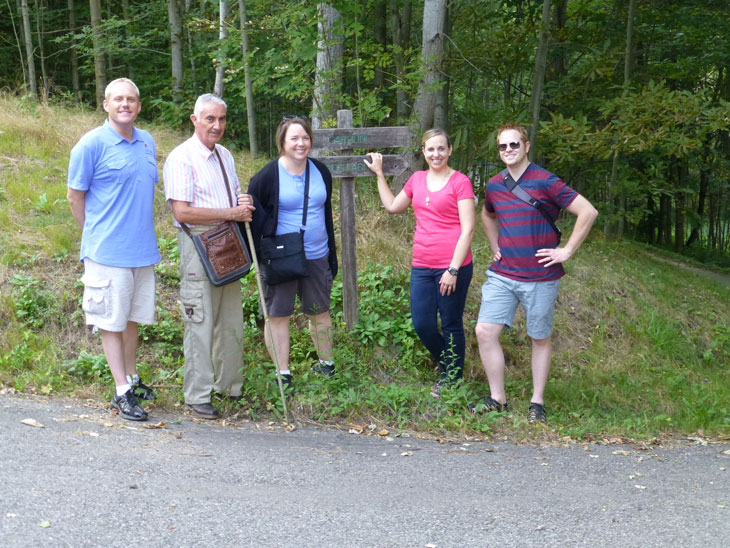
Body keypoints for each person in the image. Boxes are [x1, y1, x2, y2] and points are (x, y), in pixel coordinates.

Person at [474, 123, 598, 424]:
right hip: (503, 274)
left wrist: (566, 250)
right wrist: (495, 246)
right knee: (484, 331)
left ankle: (537, 402)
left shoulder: (546, 181)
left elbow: (588, 211)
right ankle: (498, 398)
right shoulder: (494, 185)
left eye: (514, 145)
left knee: (539, 337)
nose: (508, 151)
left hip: (541, 276)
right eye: (503, 147)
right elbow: (487, 215)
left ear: (526, 146)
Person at [67, 77, 160, 422]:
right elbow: (75, 196)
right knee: (110, 321)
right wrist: (93, 236)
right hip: (107, 252)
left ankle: (132, 379)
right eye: (118, 99)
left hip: (142, 251)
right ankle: (121, 392)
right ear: (105, 104)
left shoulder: (147, 142)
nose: (125, 104)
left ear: (138, 105)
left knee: (131, 320)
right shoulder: (90, 145)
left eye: (131, 99)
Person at [163, 94, 254, 419]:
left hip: (228, 240)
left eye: (222, 119)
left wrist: (243, 205)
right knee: (199, 321)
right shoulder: (181, 158)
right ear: (195, 119)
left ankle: (230, 387)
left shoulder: (225, 155)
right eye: (210, 119)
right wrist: (231, 211)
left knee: (230, 320)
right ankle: (197, 395)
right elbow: (183, 212)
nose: (217, 126)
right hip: (198, 242)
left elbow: (232, 197)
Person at [364, 129, 475, 397]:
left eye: (440, 149)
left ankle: (452, 378)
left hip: (453, 265)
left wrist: (453, 269)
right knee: (422, 324)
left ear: (449, 150)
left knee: (450, 323)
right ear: (423, 152)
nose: (435, 154)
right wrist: (380, 174)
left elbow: (468, 228)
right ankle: (450, 366)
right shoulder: (417, 179)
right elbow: (392, 206)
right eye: (430, 149)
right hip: (422, 265)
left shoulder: (460, 182)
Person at [247, 116, 338, 394]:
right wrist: (263, 255)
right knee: (278, 314)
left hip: (317, 253)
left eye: (305, 138)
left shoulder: (321, 171)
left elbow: (324, 211)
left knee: (319, 312)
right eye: (294, 139)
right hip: (281, 257)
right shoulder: (267, 176)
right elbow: (253, 214)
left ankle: (326, 365)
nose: (301, 143)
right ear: (282, 143)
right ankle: (282, 373)